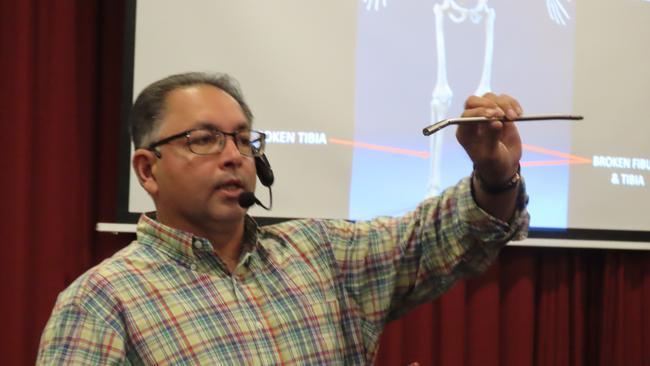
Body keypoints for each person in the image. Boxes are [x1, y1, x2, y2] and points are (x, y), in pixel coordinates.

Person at [37, 72, 529, 364]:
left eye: (243, 139)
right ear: (148, 170)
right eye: (203, 139)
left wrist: (494, 174)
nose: (233, 156)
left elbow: (441, 237)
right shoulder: (100, 303)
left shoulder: (320, 255)